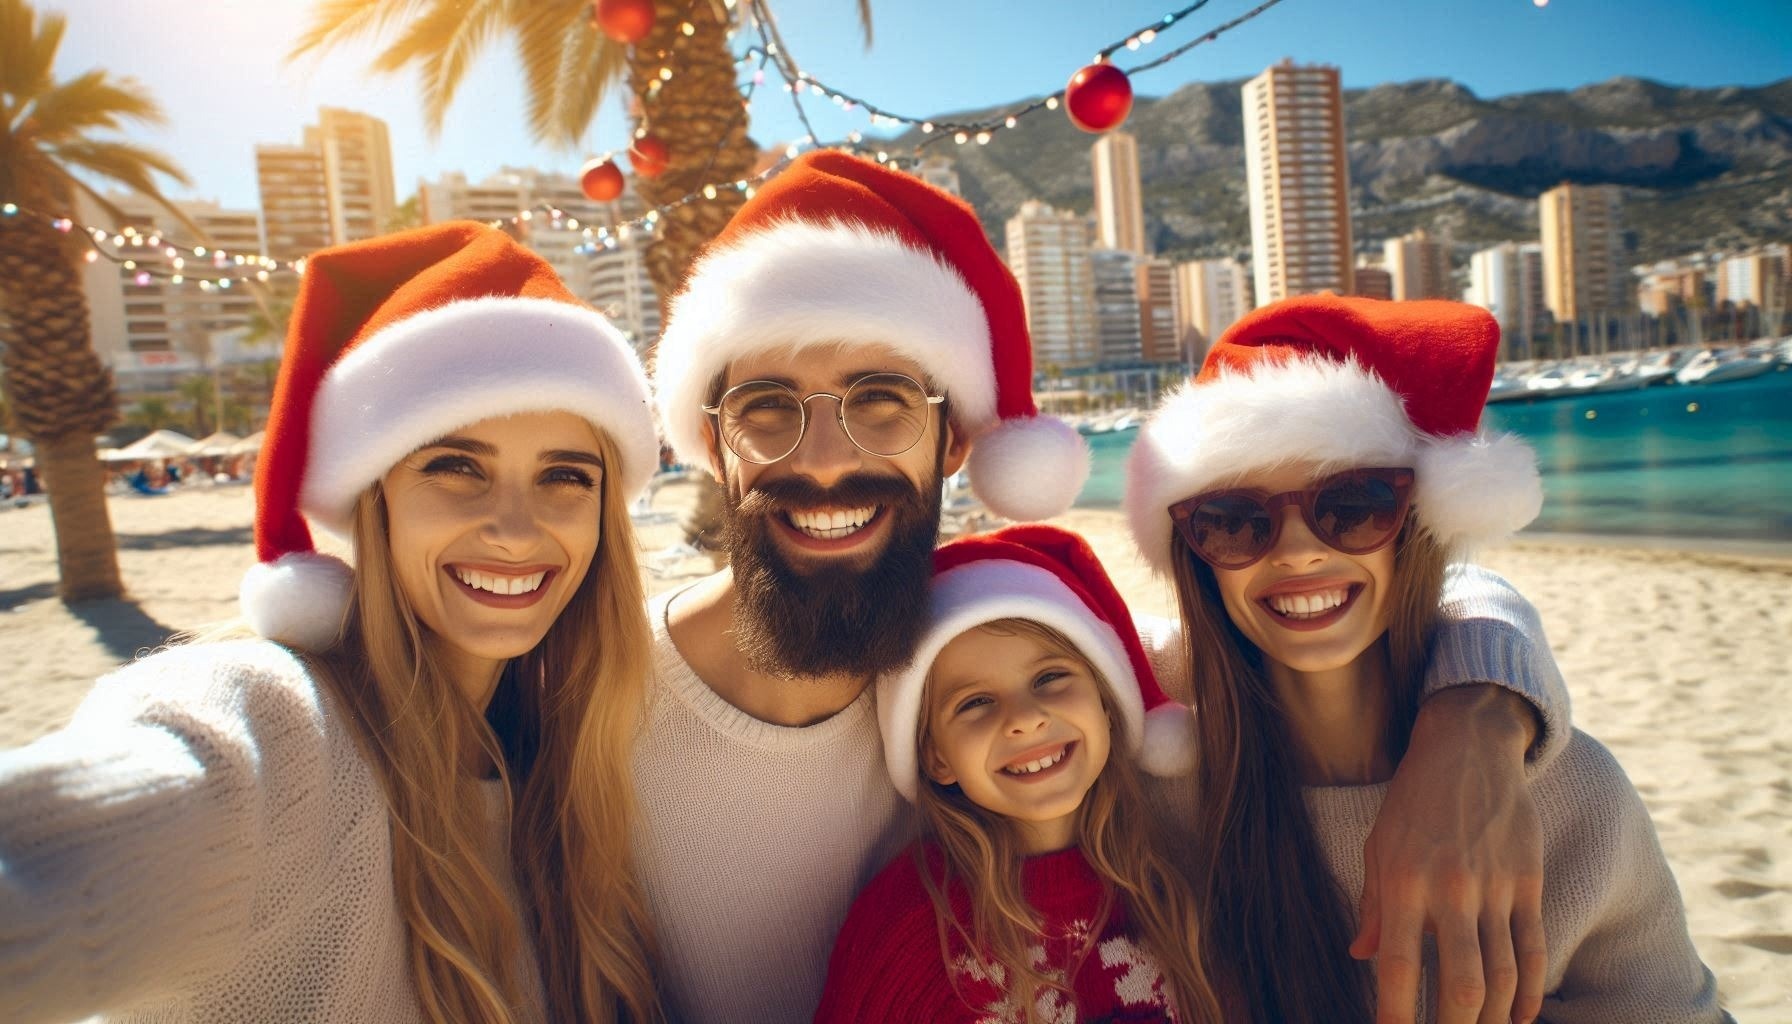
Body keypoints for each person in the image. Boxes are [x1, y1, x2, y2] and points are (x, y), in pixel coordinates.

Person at [639, 150, 1571, 1024]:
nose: (828, 462)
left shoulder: (985, 628)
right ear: (712, 443)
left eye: (881, 402)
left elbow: (1323, 604)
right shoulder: (595, 691)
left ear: (955, 439)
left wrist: (1476, 718)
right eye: (767, 409)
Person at [0, 223, 664, 1024]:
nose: (516, 529)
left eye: (565, 475)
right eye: (455, 467)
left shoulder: (571, 769)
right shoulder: (281, 731)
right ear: (373, 500)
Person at [1124, 294, 1727, 1022]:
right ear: (1195, 558)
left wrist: (1483, 707)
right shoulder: (1154, 795)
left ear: (1417, 525)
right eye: (1231, 521)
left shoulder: (1565, 792)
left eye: (1353, 505)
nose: (1298, 549)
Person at [816, 524, 1221, 1023]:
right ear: (935, 756)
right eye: (976, 703)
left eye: (1049, 678)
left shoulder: (1175, 888)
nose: (1025, 718)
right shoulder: (909, 929)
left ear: (1106, 705)